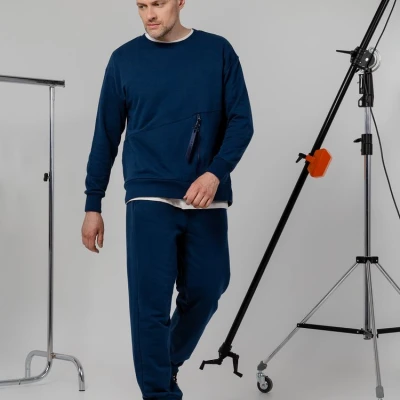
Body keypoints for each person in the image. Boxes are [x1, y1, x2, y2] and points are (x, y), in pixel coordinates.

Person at [81, 0, 254, 399]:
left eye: (157, 3)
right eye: (141, 5)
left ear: (180, 1)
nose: (149, 14)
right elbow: (105, 135)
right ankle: (159, 392)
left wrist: (214, 173)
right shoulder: (124, 60)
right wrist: (93, 203)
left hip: (205, 196)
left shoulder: (217, 51)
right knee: (150, 307)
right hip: (148, 195)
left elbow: (241, 121)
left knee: (209, 287)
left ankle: (164, 361)